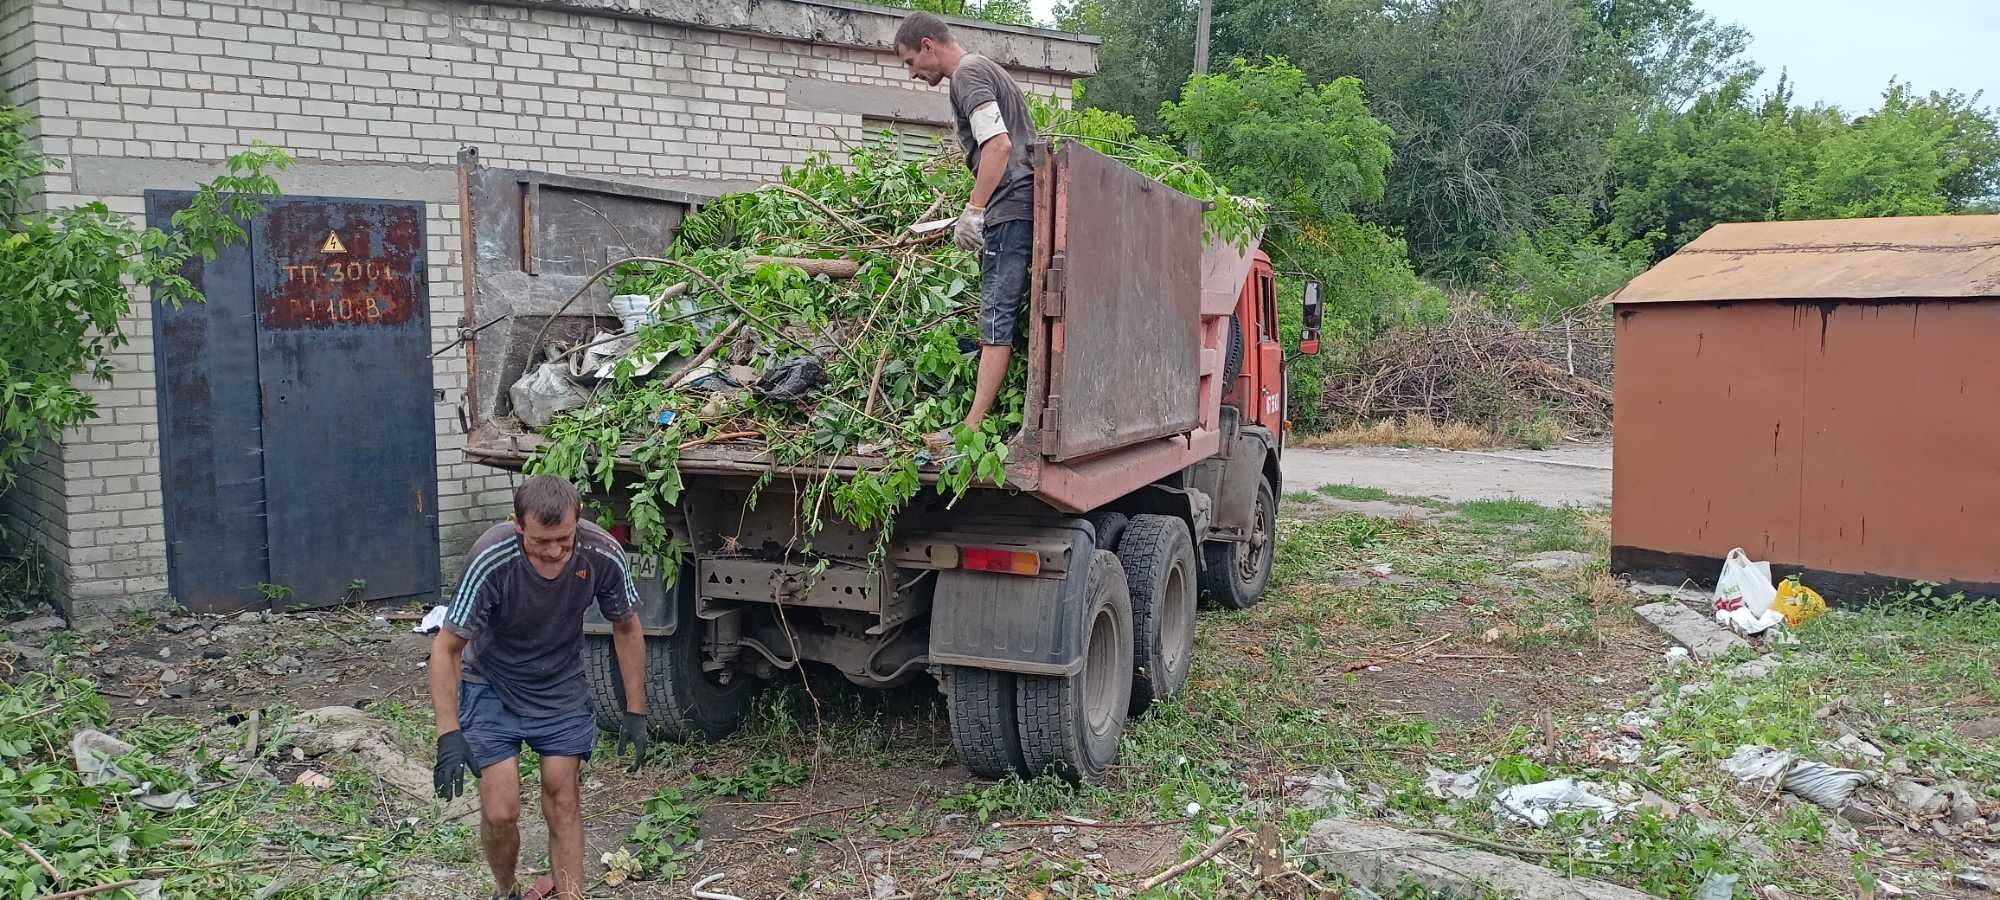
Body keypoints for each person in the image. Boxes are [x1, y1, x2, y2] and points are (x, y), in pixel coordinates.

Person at [429, 475, 651, 900]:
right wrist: (448, 733)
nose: (553, 552)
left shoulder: (602, 552)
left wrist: (636, 709)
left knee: (562, 796)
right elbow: (447, 648)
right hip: (492, 685)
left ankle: (571, 896)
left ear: (578, 520)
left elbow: (626, 625)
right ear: (518, 525)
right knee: (500, 811)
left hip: (559, 688)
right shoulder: (490, 559)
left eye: (563, 540)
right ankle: (507, 889)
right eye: (540, 541)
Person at [894, 12, 1040, 453]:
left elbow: (998, 146)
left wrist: (974, 211)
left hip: (1010, 210)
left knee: (995, 320)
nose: (912, 73)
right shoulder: (983, 71)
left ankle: (970, 430)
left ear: (927, 46)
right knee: (999, 315)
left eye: (908, 62)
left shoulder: (969, 75)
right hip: (1022, 204)